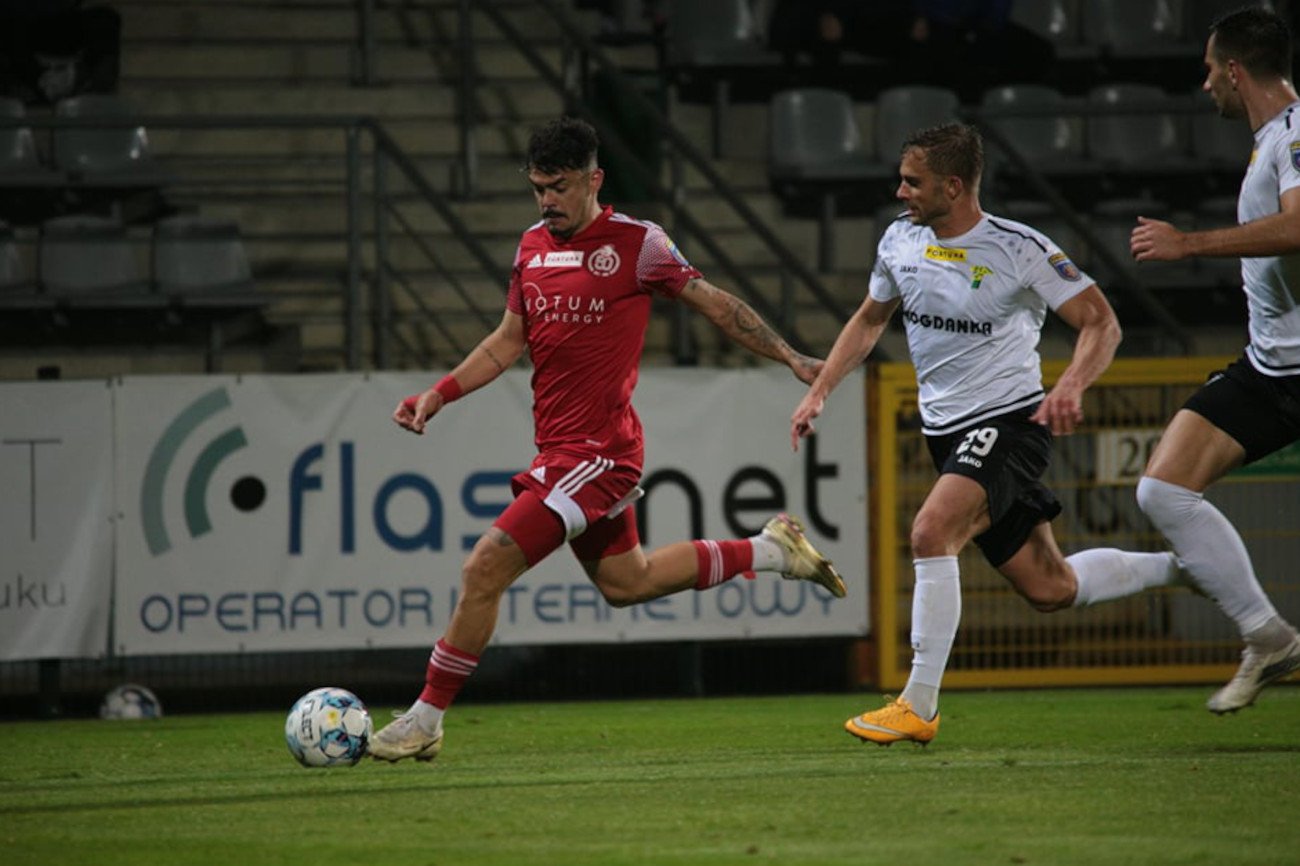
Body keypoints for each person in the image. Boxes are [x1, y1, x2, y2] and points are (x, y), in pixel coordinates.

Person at [368, 116, 846, 763]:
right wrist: (439, 394)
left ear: (594, 179)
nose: (546, 200)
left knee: (485, 565)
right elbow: (508, 340)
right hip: (562, 453)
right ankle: (770, 551)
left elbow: (713, 302)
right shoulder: (531, 245)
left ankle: (426, 717)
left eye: (559, 187)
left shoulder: (638, 244)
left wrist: (790, 356)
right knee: (629, 580)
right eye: (538, 187)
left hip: (598, 455)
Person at [791, 122, 1186, 746]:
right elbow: (871, 318)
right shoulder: (900, 240)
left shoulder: (1019, 248)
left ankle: (918, 703)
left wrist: (1072, 385)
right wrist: (820, 390)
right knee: (1050, 588)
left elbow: (1101, 322)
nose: (900, 193)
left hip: (1009, 424)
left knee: (930, 531)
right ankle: (1181, 566)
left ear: (953, 185)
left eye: (912, 182)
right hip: (945, 432)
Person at [1129, 7, 1300, 714]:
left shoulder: (1295, 134)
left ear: (1234, 70)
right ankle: (1269, 637)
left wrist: (1189, 244)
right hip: (1272, 368)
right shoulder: (1271, 141)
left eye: (1209, 70)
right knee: (1163, 490)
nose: (1205, 87)